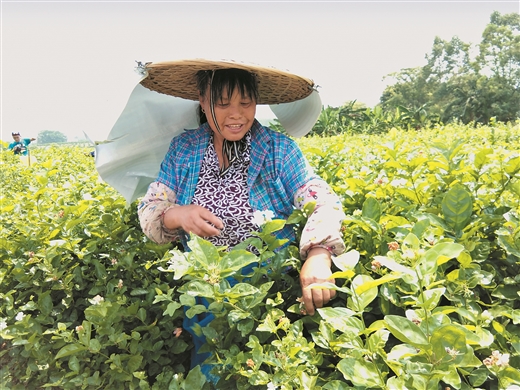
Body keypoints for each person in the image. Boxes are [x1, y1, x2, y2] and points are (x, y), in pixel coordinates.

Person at [135, 59, 345, 379]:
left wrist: (318, 254)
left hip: (268, 284)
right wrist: (178, 214)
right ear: (203, 103)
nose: (236, 114)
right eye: (222, 103)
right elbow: (152, 205)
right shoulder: (184, 149)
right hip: (209, 289)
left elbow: (321, 199)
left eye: (245, 103)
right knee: (211, 370)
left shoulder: (277, 150)